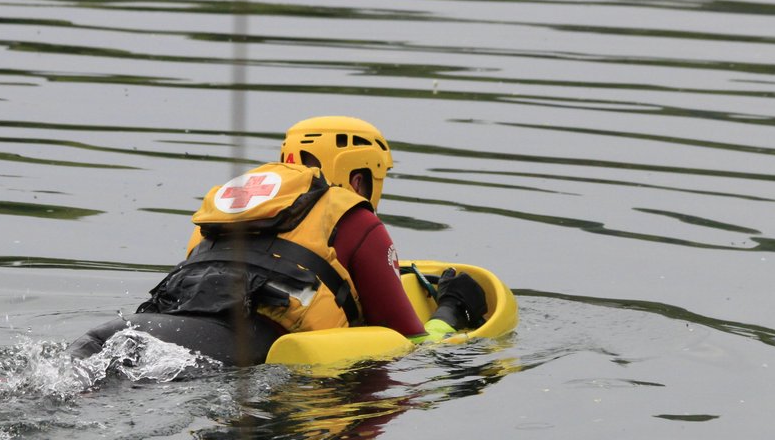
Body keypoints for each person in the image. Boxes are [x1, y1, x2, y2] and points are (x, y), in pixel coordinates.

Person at [69, 115, 487, 367]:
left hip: (122, 332)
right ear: (359, 178)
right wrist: (453, 308)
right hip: (210, 359)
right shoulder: (358, 221)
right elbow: (412, 347)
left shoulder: (229, 208)